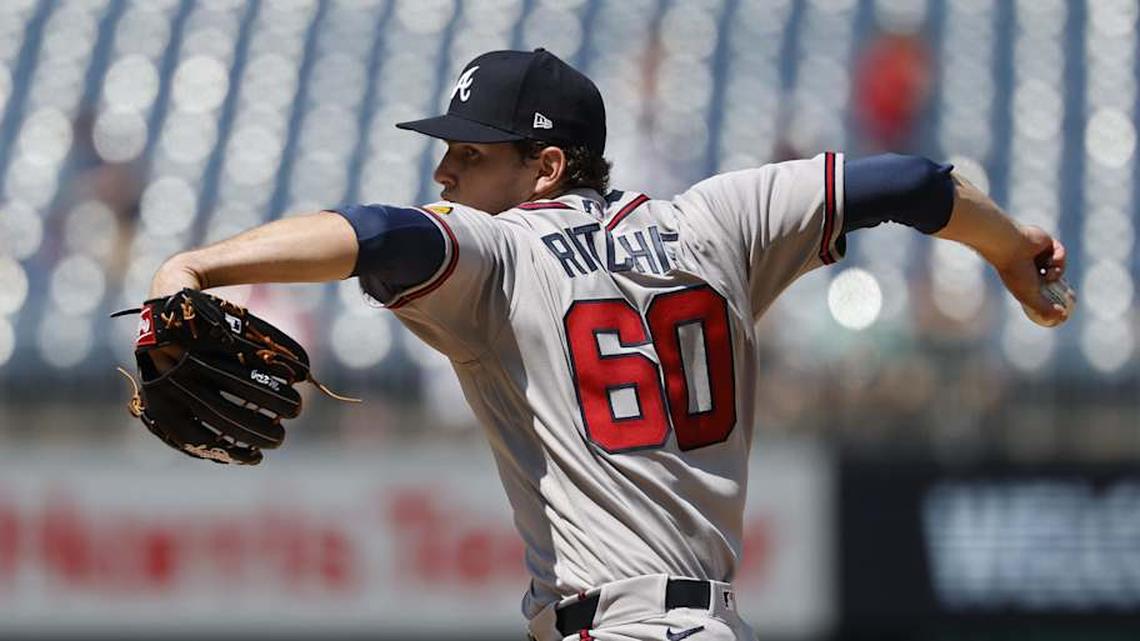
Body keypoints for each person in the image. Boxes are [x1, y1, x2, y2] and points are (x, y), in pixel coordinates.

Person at [146, 49, 1071, 641]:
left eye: (471, 153)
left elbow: (380, 233)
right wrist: (1010, 253)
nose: (445, 169)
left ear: (545, 167)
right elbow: (911, 180)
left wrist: (198, 266)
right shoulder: (717, 218)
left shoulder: (503, 247)